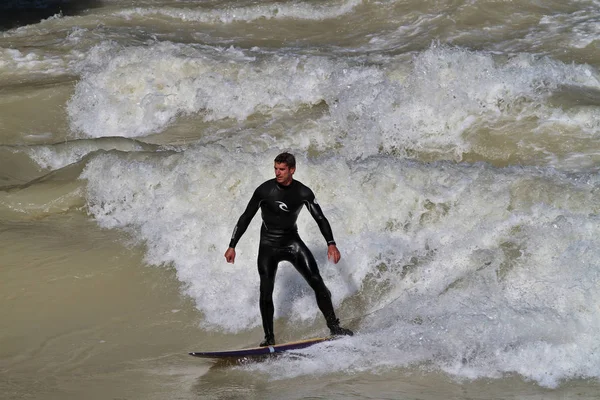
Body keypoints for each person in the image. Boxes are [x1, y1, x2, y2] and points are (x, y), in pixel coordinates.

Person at [224, 152, 353, 346]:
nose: (277, 172)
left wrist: (331, 243)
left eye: (282, 169)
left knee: (317, 282)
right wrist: (232, 245)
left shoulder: (303, 192)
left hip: (292, 243)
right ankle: (269, 338)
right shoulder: (264, 191)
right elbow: (245, 217)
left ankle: (334, 327)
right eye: (275, 168)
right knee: (266, 292)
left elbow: (320, 218)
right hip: (268, 246)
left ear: (292, 170)